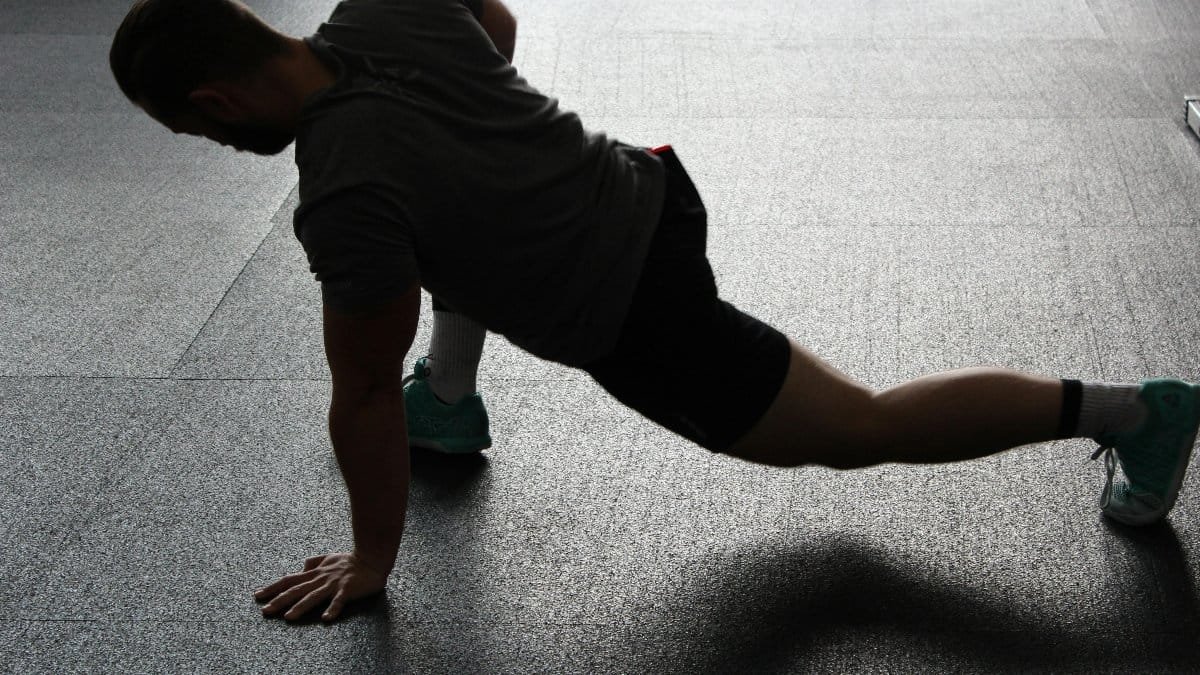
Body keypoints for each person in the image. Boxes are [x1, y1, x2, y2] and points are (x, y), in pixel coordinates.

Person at [109, 0, 1200, 623]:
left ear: (215, 102)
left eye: (194, 134)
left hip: (634, 309)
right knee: (445, 223)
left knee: (862, 431)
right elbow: (492, 17)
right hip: (647, 183)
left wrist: (374, 562)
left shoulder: (344, 195)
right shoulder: (385, 10)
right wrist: (472, 134)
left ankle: (1134, 413)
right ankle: (449, 398)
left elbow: (355, 394)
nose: (206, 144)